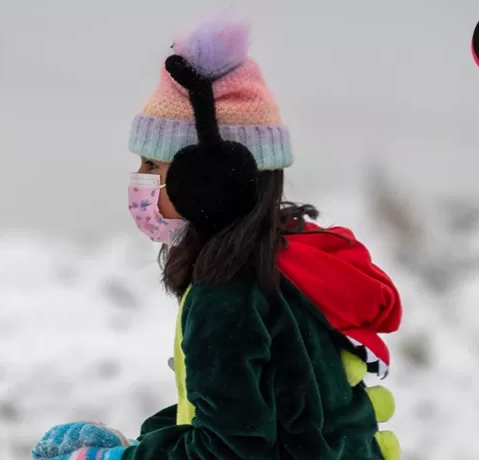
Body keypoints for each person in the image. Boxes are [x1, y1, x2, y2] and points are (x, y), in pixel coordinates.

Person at [32, 12, 402, 460]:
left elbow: (226, 450)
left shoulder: (226, 295)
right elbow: (252, 415)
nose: (139, 181)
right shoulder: (287, 271)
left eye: (152, 166)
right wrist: (141, 443)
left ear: (210, 177)